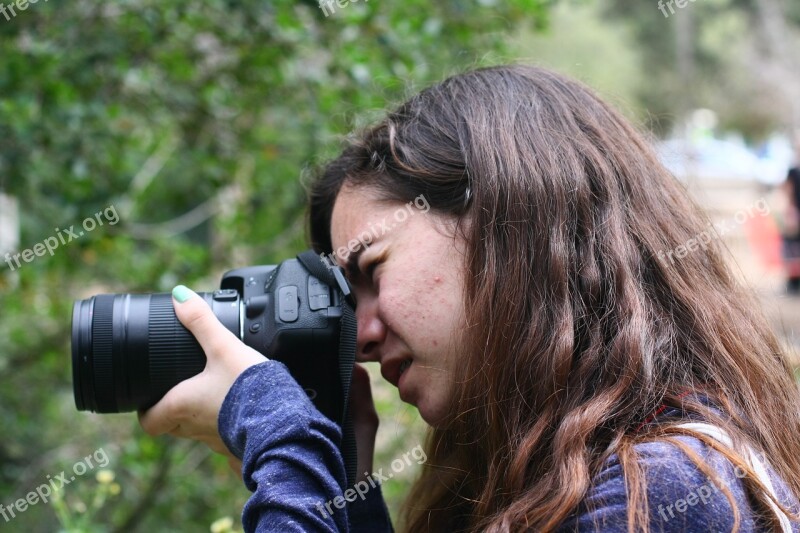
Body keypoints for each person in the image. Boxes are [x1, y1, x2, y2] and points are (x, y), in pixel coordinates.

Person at [138, 65, 800, 532]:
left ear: (512, 228)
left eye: (371, 269)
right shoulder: (586, 473)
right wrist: (340, 489)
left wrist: (281, 439)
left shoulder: (664, 489)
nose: (359, 335)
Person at [781, 135, 800, 295]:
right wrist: (790, 211)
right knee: (792, 248)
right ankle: (792, 282)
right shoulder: (793, 171)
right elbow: (787, 191)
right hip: (796, 214)